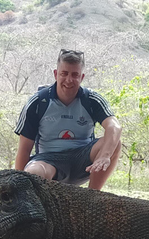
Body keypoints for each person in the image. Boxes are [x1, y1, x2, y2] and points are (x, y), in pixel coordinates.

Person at [14, 49, 122, 191]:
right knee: (34, 172)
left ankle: (92, 197)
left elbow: (115, 127)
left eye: (75, 75)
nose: (69, 80)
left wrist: (105, 156)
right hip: (48, 161)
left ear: (81, 77)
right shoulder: (38, 102)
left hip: (83, 159)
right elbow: (24, 149)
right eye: (64, 74)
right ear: (55, 74)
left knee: (115, 142)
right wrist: (19, 187)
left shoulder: (92, 99)